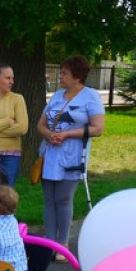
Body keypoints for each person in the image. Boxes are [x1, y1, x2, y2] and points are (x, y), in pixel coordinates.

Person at [36, 55, 105, 260]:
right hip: (49, 154)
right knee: (49, 199)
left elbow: (98, 128)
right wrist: (49, 135)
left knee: (64, 199)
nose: (60, 77)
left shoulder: (91, 96)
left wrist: (67, 134)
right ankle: (49, 242)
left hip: (73, 156)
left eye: (64, 73)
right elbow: (41, 124)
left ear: (77, 76)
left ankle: (63, 244)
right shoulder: (56, 96)